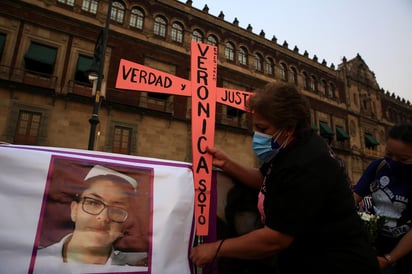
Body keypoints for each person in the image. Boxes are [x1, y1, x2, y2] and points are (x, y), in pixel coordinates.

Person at [190, 82, 381, 273]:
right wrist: (227, 164)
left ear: (288, 128)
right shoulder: (289, 147)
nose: (257, 135)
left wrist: (216, 248)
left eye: (263, 129)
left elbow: (275, 239)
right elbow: (264, 180)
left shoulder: (308, 163)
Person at [34, 165, 147, 273]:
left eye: (117, 210)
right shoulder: (33, 260)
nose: (103, 218)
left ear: (125, 223)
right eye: (93, 203)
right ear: (74, 210)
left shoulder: (140, 267)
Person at [353, 123, 412, 274]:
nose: (393, 162)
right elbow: (351, 200)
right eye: (389, 154)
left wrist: (389, 259)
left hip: (405, 253)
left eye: (403, 158)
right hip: (375, 247)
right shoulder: (378, 167)